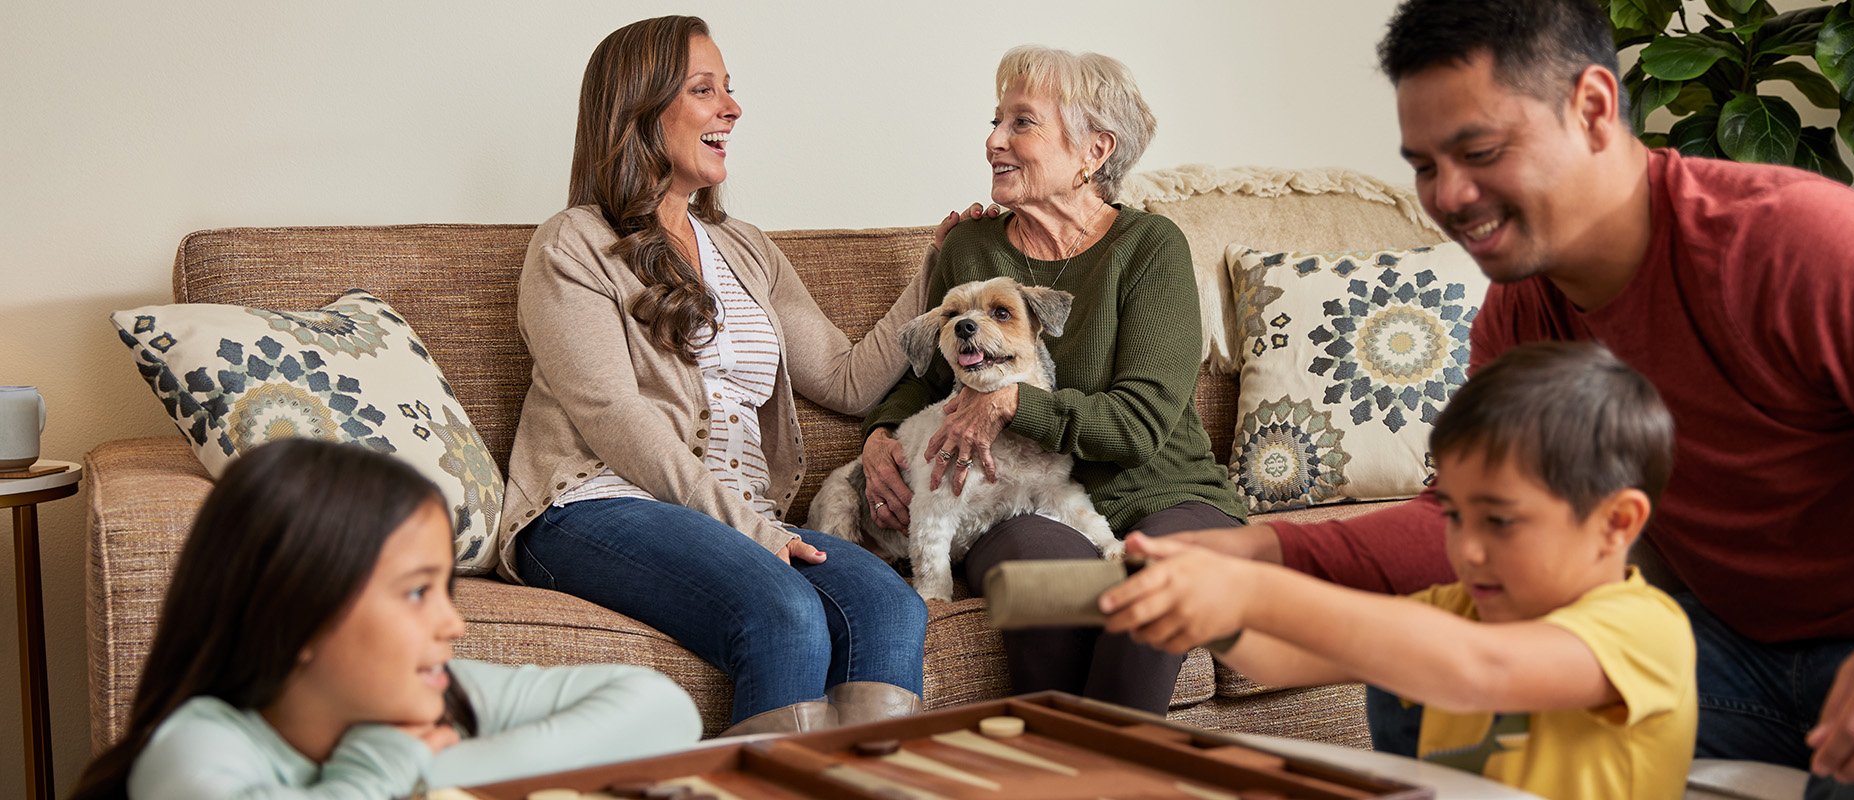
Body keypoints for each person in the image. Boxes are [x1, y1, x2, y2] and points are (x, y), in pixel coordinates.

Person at [1168, 0, 1854, 795]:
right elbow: (1466, 514)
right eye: (1425, 166)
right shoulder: (1525, 311)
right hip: (1726, 651)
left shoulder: (1796, 247)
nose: (1448, 195)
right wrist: (1264, 550)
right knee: (1420, 673)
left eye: (1481, 151)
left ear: (1595, 108)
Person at [502, 16, 958, 735]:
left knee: (887, 606)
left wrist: (939, 271)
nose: (733, 108)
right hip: (592, 506)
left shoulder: (745, 249)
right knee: (783, 610)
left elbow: (844, 378)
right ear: (641, 109)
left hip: (734, 520)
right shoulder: (574, 244)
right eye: (704, 89)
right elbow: (617, 417)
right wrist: (750, 530)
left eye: (729, 89)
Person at [1104, 342, 1694, 797]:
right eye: (1456, 517)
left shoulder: (1643, 629)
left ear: (1617, 523)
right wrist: (1208, 612)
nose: (1469, 550)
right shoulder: (1457, 607)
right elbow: (1280, 658)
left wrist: (1252, 588)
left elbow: (1476, 669)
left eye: (1500, 522)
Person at [859, 45, 1247, 715]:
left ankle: (1103, 777)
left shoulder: (1151, 248)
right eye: (995, 121)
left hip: (1166, 495)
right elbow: (930, 382)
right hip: (1027, 502)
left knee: (1154, 587)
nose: (993, 141)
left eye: (1021, 123)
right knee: (1041, 579)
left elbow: (1140, 423)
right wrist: (879, 438)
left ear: (1095, 149)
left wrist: (1012, 402)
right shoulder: (972, 250)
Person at [67, 438, 700, 799]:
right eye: (418, 592)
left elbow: (663, 711)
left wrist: (428, 773)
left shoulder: (440, 699)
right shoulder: (193, 755)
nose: (452, 625)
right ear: (300, 609)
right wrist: (379, 770)